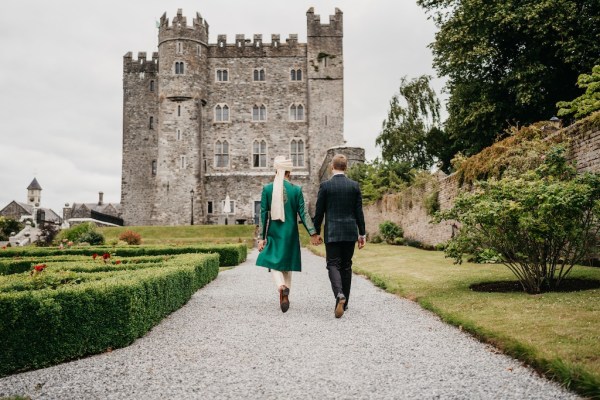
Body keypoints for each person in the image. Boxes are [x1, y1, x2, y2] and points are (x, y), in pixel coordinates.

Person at [256, 156, 321, 313]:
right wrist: (313, 232)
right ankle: (286, 295)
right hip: (291, 232)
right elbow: (304, 213)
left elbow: (263, 214)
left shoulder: (267, 189)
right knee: (287, 264)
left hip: (275, 231)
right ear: (289, 172)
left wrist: (261, 237)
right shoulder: (296, 190)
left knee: (272, 261)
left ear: (276, 170)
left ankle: (281, 287)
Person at [313, 154, 366, 318]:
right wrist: (362, 234)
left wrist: (315, 233)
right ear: (346, 167)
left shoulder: (325, 186)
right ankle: (345, 302)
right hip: (350, 232)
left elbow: (319, 212)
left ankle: (339, 295)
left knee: (333, 264)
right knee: (346, 266)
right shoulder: (354, 186)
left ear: (332, 167)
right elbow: (359, 212)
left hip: (333, 232)